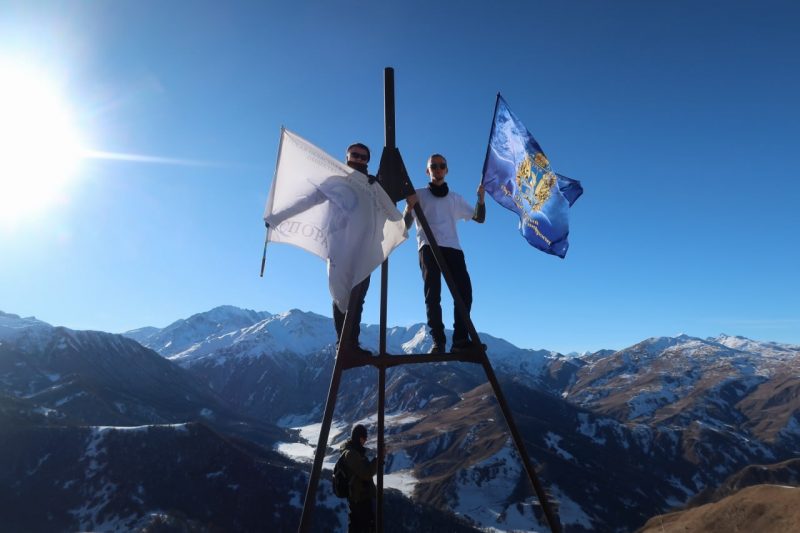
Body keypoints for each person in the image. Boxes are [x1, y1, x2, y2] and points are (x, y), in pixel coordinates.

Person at [404, 153, 485, 354]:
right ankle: (437, 341)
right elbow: (405, 225)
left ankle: (460, 341)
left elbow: (479, 218)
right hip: (428, 246)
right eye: (434, 166)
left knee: (464, 293)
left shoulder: (455, 198)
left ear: (446, 170)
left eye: (442, 166)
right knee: (433, 294)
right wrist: (409, 207)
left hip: (453, 248)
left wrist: (481, 199)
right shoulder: (418, 194)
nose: (438, 169)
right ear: (428, 171)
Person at [333, 143, 375, 357]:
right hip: (339, 246)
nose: (358, 159)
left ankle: (352, 344)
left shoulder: (373, 185)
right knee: (341, 295)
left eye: (363, 157)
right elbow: (311, 198)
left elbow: (386, 207)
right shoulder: (335, 181)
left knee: (358, 298)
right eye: (355, 155)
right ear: (347, 156)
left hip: (364, 249)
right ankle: (343, 344)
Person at [341, 424, 377, 533]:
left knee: (357, 527)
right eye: (364, 438)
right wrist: (378, 460)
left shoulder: (355, 451)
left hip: (359, 498)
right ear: (360, 438)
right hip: (360, 499)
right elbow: (366, 474)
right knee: (363, 527)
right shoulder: (352, 454)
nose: (365, 441)